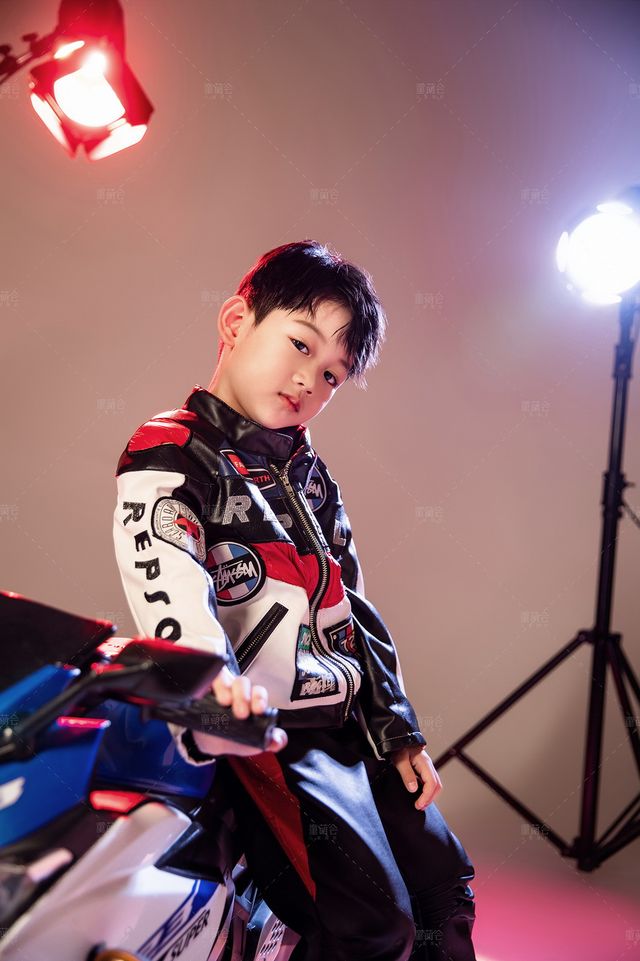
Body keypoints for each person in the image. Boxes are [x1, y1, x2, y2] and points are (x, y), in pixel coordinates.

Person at [112, 240, 477, 961]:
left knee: (445, 891)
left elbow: (353, 608)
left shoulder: (309, 473)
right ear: (236, 321)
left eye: (332, 373)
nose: (310, 379)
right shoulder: (172, 451)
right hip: (268, 733)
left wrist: (396, 726)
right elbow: (168, 576)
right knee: (370, 926)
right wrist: (211, 683)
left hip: (349, 724)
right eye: (301, 345)